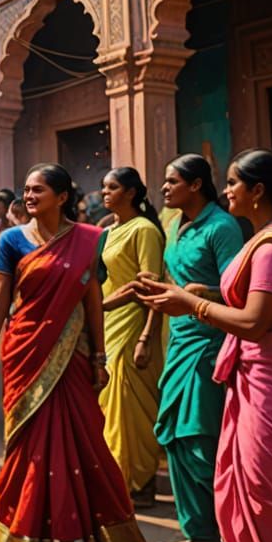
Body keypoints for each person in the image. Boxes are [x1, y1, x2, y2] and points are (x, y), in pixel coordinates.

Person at [139, 149, 272, 542]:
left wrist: (193, 303)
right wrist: (203, 293)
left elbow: (255, 321)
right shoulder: (266, 236)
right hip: (255, 370)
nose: (225, 189)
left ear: (257, 191)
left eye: (232, 182)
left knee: (261, 495)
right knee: (238, 485)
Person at [0, 163, 145, 542]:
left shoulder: (88, 239)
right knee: (26, 447)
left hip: (73, 355)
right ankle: (21, 540)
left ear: (63, 196)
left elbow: (92, 300)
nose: (29, 196)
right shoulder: (13, 240)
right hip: (25, 352)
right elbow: (1, 299)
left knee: (79, 442)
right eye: (26, 189)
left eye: (38, 190)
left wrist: (100, 357)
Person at [150, 154, 242, 542]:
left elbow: (240, 292)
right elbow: (176, 282)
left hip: (209, 343)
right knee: (176, 437)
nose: (165, 188)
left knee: (202, 439)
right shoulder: (173, 225)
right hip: (179, 340)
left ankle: (228, 532)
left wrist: (201, 295)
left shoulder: (222, 228)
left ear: (197, 185)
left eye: (172, 181)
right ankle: (200, 533)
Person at [98, 167, 166, 507]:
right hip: (107, 324)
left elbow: (152, 287)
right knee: (108, 404)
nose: (104, 193)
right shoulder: (107, 231)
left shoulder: (144, 230)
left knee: (132, 409)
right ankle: (114, 480)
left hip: (134, 326)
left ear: (130, 193)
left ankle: (139, 483)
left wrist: (146, 338)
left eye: (111, 187)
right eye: (103, 187)